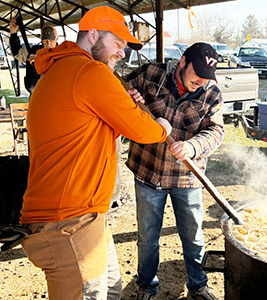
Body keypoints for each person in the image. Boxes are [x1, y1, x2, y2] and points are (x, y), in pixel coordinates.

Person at [20, 6, 172, 300]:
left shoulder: (63, 68)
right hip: (69, 221)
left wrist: (122, 105)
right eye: (117, 43)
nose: (122, 53)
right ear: (92, 34)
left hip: (85, 215)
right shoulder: (88, 71)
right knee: (91, 294)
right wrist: (162, 127)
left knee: (111, 290)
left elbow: (86, 130)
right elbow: (143, 131)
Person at [125, 42, 224, 300]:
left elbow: (216, 131)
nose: (201, 80)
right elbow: (118, 88)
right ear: (182, 62)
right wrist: (129, 98)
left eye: (207, 76)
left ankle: (198, 286)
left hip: (187, 178)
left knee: (193, 238)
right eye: (197, 73)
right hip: (148, 171)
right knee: (148, 239)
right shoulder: (151, 74)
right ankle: (146, 286)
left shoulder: (211, 93)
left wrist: (193, 146)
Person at [9, 18, 58, 93]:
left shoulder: (62, 54)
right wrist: (13, 33)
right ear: (41, 40)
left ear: (57, 39)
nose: (48, 43)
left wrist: (39, 60)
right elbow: (17, 52)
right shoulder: (33, 51)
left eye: (51, 41)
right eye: (45, 41)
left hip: (53, 95)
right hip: (35, 95)